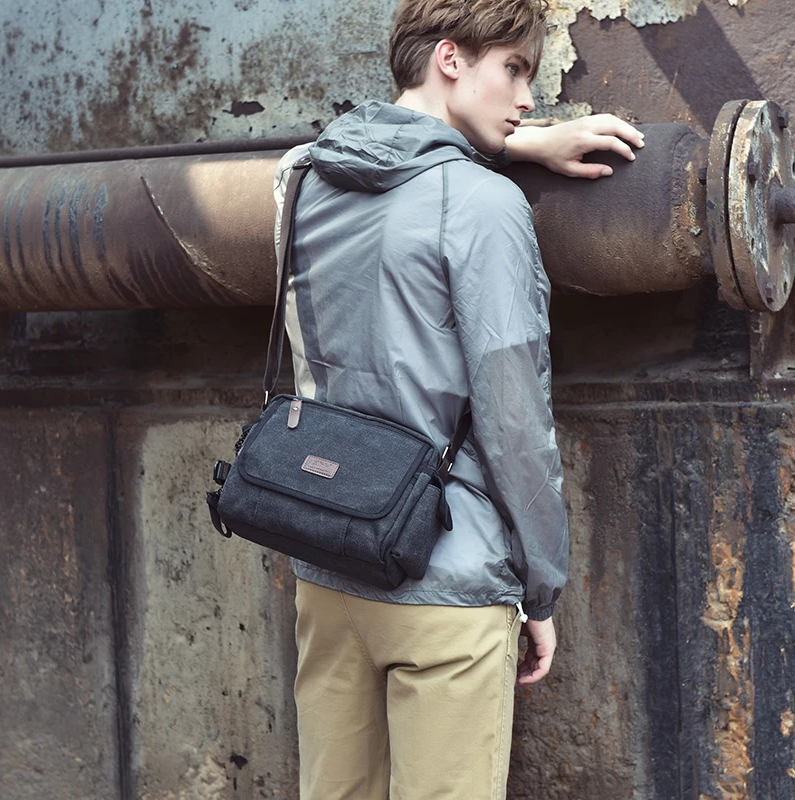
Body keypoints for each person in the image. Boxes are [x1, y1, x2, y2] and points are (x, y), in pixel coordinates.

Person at [272, 1, 643, 796]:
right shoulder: (484, 204)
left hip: (326, 564)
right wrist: (539, 587)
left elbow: (376, 153)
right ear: (450, 58)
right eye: (513, 69)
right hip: (446, 578)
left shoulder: (301, 180)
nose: (528, 101)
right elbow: (515, 422)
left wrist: (511, 142)